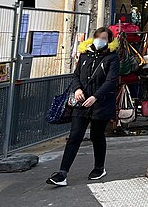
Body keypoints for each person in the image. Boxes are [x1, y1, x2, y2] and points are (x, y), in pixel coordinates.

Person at [46, 27, 120, 186]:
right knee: (74, 136)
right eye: (98, 37)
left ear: (109, 41)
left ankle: (99, 168)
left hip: (101, 103)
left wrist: (95, 97)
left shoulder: (112, 58)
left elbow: (111, 81)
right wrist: (77, 89)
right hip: (81, 103)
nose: (100, 41)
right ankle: (62, 173)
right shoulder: (85, 55)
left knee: (96, 135)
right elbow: (76, 76)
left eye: (104, 38)